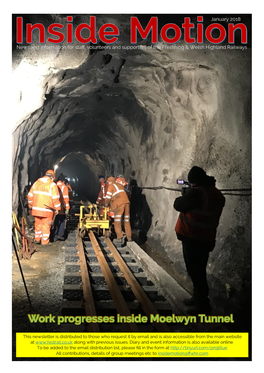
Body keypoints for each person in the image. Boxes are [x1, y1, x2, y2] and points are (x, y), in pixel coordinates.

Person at [174, 166, 225, 314]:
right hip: (206, 238)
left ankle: (202, 304)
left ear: (194, 182)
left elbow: (178, 205)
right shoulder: (216, 193)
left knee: (196, 271)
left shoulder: (196, 194)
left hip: (193, 238)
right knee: (199, 269)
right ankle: (197, 298)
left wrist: (184, 195)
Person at [27, 169, 61, 245]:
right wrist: (57, 209)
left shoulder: (36, 183)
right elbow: (55, 198)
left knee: (38, 224)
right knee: (46, 225)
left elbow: (30, 195)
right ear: (52, 177)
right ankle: (45, 242)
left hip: (36, 210)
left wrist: (31, 204)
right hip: (47, 210)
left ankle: (37, 239)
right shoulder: (52, 185)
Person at [104, 176, 132, 244]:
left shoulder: (111, 186)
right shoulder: (120, 185)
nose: (108, 183)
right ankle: (129, 237)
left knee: (117, 221)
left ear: (110, 181)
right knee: (126, 220)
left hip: (119, 204)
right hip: (127, 203)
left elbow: (108, 197)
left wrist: (106, 204)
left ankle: (119, 237)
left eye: (108, 182)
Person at [53, 173, 70, 241]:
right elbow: (66, 199)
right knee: (62, 221)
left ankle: (54, 236)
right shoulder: (64, 187)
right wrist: (67, 208)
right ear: (63, 181)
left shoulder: (53, 185)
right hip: (61, 208)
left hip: (53, 208)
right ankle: (60, 234)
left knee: (55, 222)